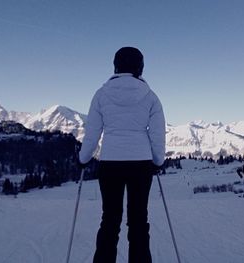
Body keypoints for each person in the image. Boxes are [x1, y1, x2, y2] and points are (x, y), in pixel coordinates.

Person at [79, 47, 166, 263]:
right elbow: (157, 134)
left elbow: (92, 133)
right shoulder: (151, 97)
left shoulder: (101, 94)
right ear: (140, 67)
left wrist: (84, 158)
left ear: (116, 66)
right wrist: (158, 160)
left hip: (110, 163)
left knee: (110, 220)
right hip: (141, 164)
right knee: (138, 221)